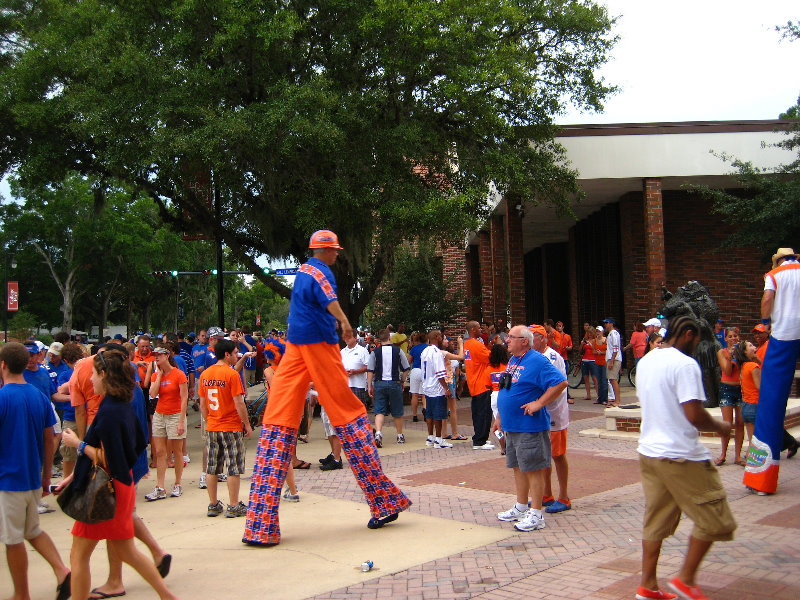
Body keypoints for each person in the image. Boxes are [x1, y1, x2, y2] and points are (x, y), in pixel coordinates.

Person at [243, 230, 410, 546]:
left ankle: (260, 524)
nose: (336, 254)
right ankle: (385, 500)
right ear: (326, 251)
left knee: (278, 420)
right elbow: (329, 299)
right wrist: (345, 322)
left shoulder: (304, 270)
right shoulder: (321, 271)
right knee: (346, 415)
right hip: (317, 346)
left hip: (297, 346)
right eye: (334, 250)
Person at [56, 347, 177, 600]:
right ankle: (167, 596)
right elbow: (133, 447)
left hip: (106, 492)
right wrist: (73, 474)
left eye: (93, 375)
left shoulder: (110, 411)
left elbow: (109, 458)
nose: (89, 380)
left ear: (104, 374)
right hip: (121, 487)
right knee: (127, 552)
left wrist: (77, 444)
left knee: (79, 555)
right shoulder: (123, 404)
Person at [635, 315, 735, 600]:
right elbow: (694, 416)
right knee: (716, 520)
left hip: (650, 452)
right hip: (682, 456)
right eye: (698, 339)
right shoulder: (685, 364)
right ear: (688, 333)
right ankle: (686, 580)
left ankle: (648, 586)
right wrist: (721, 427)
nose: (698, 346)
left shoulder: (648, 360)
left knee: (656, 521)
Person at [0, 342, 71, 600]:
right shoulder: (37, 396)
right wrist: (44, 476)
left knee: (13, 539)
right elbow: (51, 436)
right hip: (31, 476)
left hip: (9, 478)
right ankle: (62, 571)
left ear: (3, 365)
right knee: (32, 531)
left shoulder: (3, 398)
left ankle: (21, 594)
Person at [492, 325, 567, 532]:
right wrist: (499, 416)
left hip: (529, 426)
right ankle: (521, 505)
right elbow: (507, 388)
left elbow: (560, 383)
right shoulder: (514, 360)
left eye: (511, 337)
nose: (506, 340)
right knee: (518, 466)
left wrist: (539, 403)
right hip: (511, 425)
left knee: (533, 468)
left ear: (524, 341)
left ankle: (536, 513)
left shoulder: (538, 360)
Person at [744, 248, 800, 494]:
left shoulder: (774, 274)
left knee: (770, 404)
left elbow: (767, 300)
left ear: (778, 260)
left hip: (784, 337)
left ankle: (762, 479)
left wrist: (765, 322)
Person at [199, 338, 253, 518]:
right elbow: (239, 402)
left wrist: (209, 420)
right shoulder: (231, 375)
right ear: (227, 354)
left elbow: (203, 403)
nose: (237, 356)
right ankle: (234, 504)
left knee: (212, 467)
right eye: (235, 353)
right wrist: (246, 424)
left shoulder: (206, 374)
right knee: (233, 467)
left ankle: (213, 504)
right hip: (230, 426)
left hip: (213, 426)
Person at [531, 326, 571, 514]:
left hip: (554, 414)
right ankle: (547, 494)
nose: (529, 341)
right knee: (544, 454)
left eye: (531, 337)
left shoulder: (551, 358)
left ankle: (564, 496)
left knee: (557, 454)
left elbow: (557, 385)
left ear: (542, 338)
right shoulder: (534, 356)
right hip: (543, 413)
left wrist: (538, 402)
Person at [144, 347, 189, 501]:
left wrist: (181, 421)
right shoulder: (157, 375)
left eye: (159, 355)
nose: (156, 357)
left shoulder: (179, 374)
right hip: (160, 414)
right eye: (154, 355)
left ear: (167, 356)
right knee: (160, 452)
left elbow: (184, 398)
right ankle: (160, 486)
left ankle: (177, 483)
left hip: (175, 414)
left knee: (176, 451)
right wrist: (159, 375)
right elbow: (152, 393)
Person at [367, 328, 410, 446]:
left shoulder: (375, 352)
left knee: (379, 410)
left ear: (379, 340)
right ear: (389, 338)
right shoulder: (398, 351)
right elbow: (406, 368)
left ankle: (379, 433)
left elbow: (370, 370)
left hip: (379, 383)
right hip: (394, 382)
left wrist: (370, 385)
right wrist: (402, 380)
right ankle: (400, 435)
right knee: (397, 410)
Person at [464, 321, 495, 450]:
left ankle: (479, 437)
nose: (480, 329)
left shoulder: (467, 344)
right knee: (484, 413)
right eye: (478, 328)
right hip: (482, 383)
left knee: (478, 413)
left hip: (474, 383)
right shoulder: (476, 344)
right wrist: (497, 347)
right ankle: (480, 441)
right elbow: (491, 358)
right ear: (472, 330)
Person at [715, 327, 744, 466]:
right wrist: (731, 356)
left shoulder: (742, 352)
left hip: (740, 388)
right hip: (726, 388)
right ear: (725, 338)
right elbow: (727, 370)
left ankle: (738, 456)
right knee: (728, 423)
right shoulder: (722, 352)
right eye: (730, 336)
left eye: (735, 336)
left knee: (740, 422)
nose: (733, 338)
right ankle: (723, 454)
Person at [421, 330, 454, 448]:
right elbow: (440, 373)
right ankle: (439, 439)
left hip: (427, 386)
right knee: (438, 414)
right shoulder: (436, 352)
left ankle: (430, 437)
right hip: (437, 387)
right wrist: (446, 388)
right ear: (436, 337)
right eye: (441, 336)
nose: (441, 339)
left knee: (429, 413)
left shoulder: (425, 351)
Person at [340, 334, 370, 411]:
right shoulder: (342, 352)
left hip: (358, 385)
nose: (346, 339)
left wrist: (356, 371)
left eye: (349, 337)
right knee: (346, 411)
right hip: (345, 386)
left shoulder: (362, 350)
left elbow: (369, 366)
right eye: (345, 337)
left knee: (359, 411)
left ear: (355, 338)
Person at [407, 332, 427, 422]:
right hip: (425, 371)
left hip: (415, 370)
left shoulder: (414, 348)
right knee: (424, 394)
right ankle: (425, 409)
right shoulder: (428, 348)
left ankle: (414, 415)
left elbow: (409, 361)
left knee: (414, 394)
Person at [603, 318, 622, 408]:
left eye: (606, 323)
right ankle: (616, 399)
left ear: (611, 324)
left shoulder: (614, 334)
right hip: (611, 359)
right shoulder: (611, 334)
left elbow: (615, 348)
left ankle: (617, 400)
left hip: (614, 359)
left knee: (613, 379)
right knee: (611, 379)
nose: (605, 325)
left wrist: (612, 361)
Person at [578, 322, 597, 401]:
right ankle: (588, 394)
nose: (589, 335)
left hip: (592, 360)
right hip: (585, 359)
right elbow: (580, 350)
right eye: (588, 333)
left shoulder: (595, 340)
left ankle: (598, 394)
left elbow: (595, 350)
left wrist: (591, 345)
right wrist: (582, 344)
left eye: (590, 333)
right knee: (585, 377)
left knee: (594, 378)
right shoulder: (585, 340)